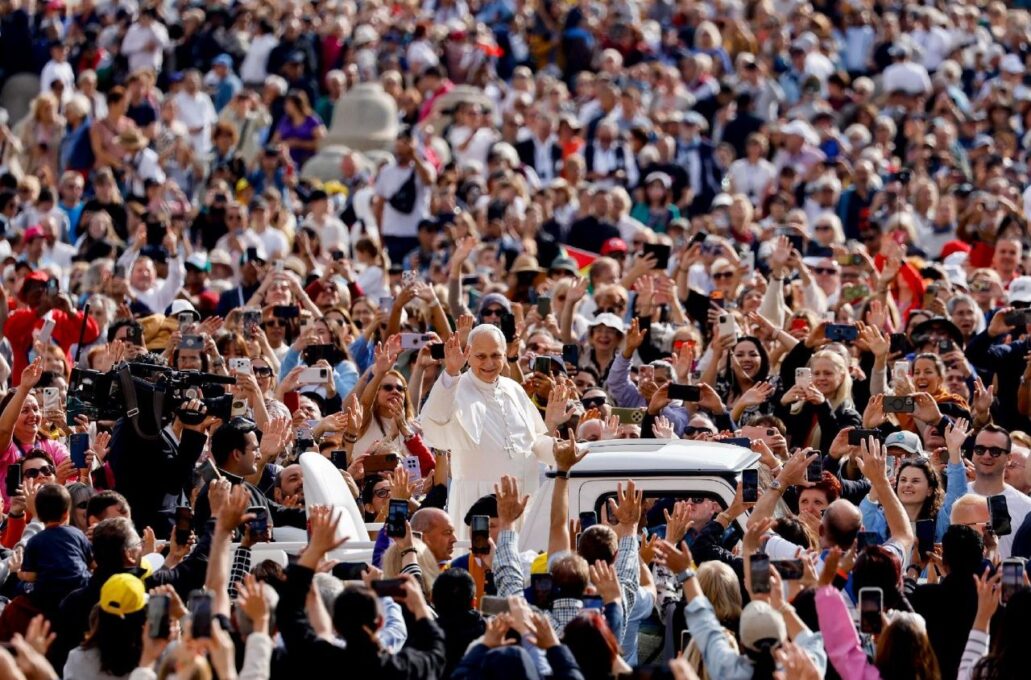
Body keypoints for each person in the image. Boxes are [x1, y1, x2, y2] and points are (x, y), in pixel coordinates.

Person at [419, 325, 561, 535]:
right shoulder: (455, 386)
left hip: (522, 497)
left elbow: (532, 442)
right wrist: (450, 372)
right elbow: (434, 421)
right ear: (468, 355)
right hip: (477, 498)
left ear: (505, 355)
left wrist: (558, 450)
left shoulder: (514, 389)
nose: (489, 363)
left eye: (496, 355)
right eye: (481, 356)